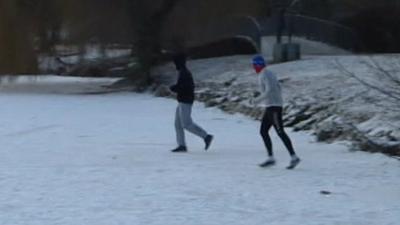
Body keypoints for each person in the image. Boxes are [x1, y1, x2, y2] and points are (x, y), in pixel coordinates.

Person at [251, 55, 300, 169]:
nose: (254, 67)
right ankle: (271, 158)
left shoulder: (266, 74)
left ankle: (294, 157)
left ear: (258, 65)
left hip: (274, 107)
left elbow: (270, 90)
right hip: (270, 106)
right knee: (263, 131)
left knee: (280, 132)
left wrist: (257, 100)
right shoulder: (266, 73)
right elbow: (276, 88)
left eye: (254, 65)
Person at [169, 53, 213, 153]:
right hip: (182, 101)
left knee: (186, 124)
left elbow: (185, 87)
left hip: (185, 101)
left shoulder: (184, 73)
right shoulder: (183, 72)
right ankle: (181, 145)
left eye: (175, 63)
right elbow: (183, 86)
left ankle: (206, 136)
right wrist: (176, 87)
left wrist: (174, 88)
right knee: (178, 124)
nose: (174, 65)